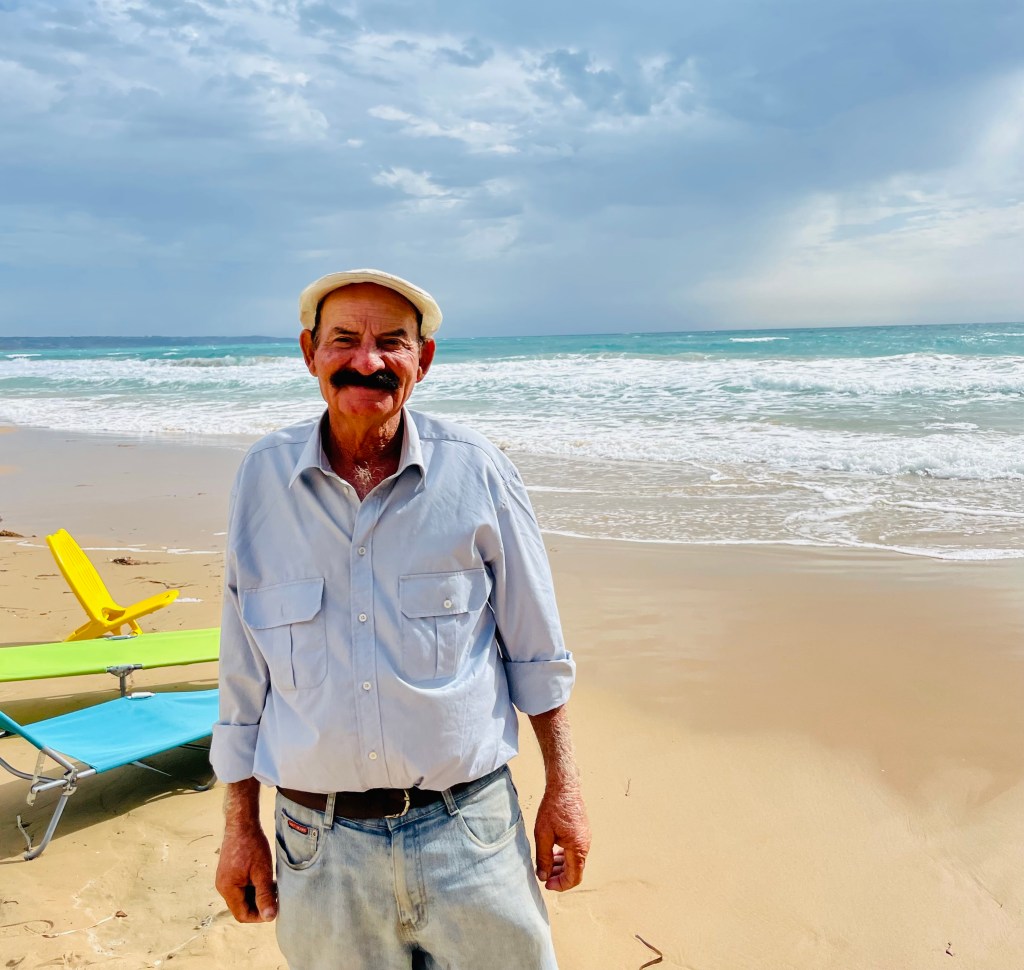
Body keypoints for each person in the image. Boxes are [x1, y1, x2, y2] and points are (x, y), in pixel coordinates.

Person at [211, 269, 590, 970]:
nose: (368, 361)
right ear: (309, 353)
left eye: (392, 342)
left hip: (471, 835)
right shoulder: (261, 479)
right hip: (317, 846)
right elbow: (243, 675)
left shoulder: (477, 470)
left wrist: (563, 792)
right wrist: (239, 826)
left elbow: (538, 653)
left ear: (424, 359)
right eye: (343, 340)